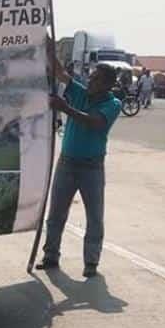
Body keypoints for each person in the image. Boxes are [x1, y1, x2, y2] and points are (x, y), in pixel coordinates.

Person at [36, 40, 122, 278]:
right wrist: (50, 53)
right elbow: (61, 74)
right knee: (55, 214)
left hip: (91, 167)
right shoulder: (81, 92)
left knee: (94, 217)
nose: (90, 81)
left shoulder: (113, 104)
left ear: (107, 85)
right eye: (91, 78)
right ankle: (50, 255)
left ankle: (91, 262)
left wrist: (65, 109)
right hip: (67, 162)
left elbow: (95, 122)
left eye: (96, 79)